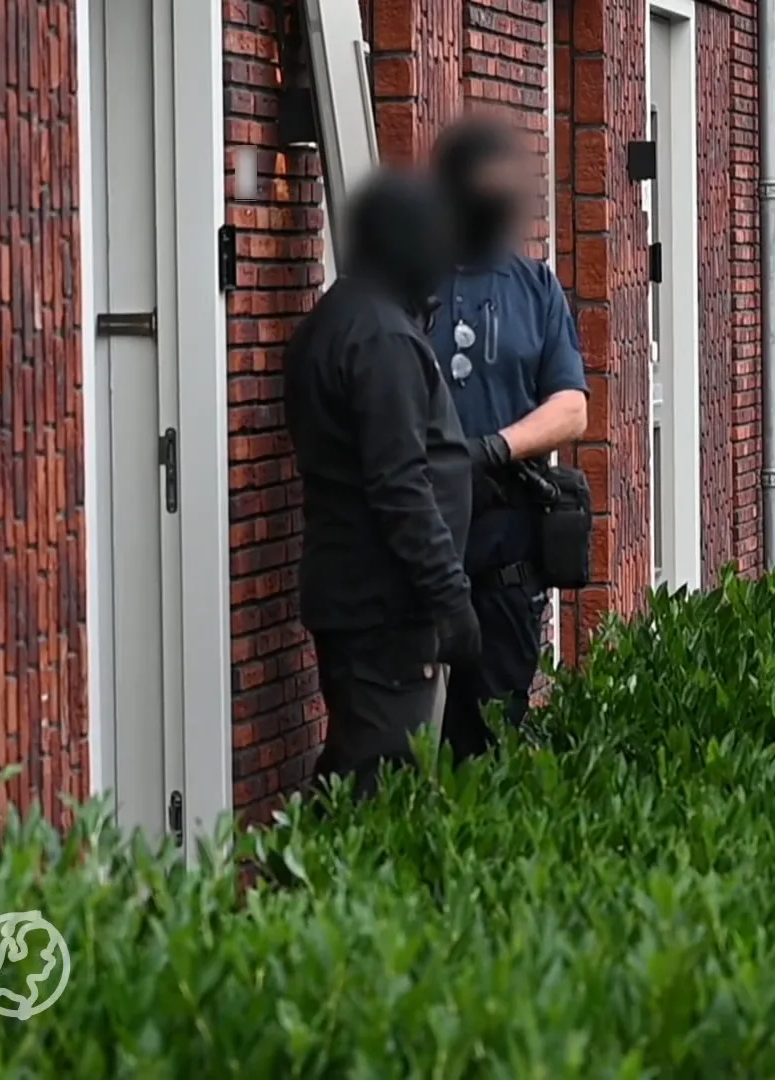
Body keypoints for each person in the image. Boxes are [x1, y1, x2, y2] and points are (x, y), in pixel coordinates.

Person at [282, 166, 481, 802]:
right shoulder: (382, 340)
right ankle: (311, 895)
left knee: (359, 759)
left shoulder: (334, 321)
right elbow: (399, 485)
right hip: (384, 606)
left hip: (352, 591)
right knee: (377, 783)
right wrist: (450, 598)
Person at [427, 115, 590, 761]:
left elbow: (572, 409)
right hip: (413, 561)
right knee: (403, 757)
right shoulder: (410, 281)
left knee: (491, 748)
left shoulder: (536, 287)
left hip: (504, 570)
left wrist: (493, 448)